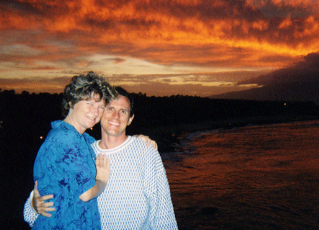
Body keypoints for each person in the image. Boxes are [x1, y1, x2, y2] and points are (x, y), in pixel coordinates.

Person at [24, 86, 178, 229]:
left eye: (123, 111)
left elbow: (163, 212)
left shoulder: (146, 152)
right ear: (100, 113)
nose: (116, 116)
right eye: (110, 108)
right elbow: (31, 210)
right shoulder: (82, 152)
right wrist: (33, 205)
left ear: (130, 119)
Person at [29, 72, 116, 229]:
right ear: (71, 102)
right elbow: (86, 193)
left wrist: (138, 139)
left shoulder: (80, 138)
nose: (95, 112)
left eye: (101, 106)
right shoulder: (65, 139)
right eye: (89, 103)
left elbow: (108, 145)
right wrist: (102, 180)